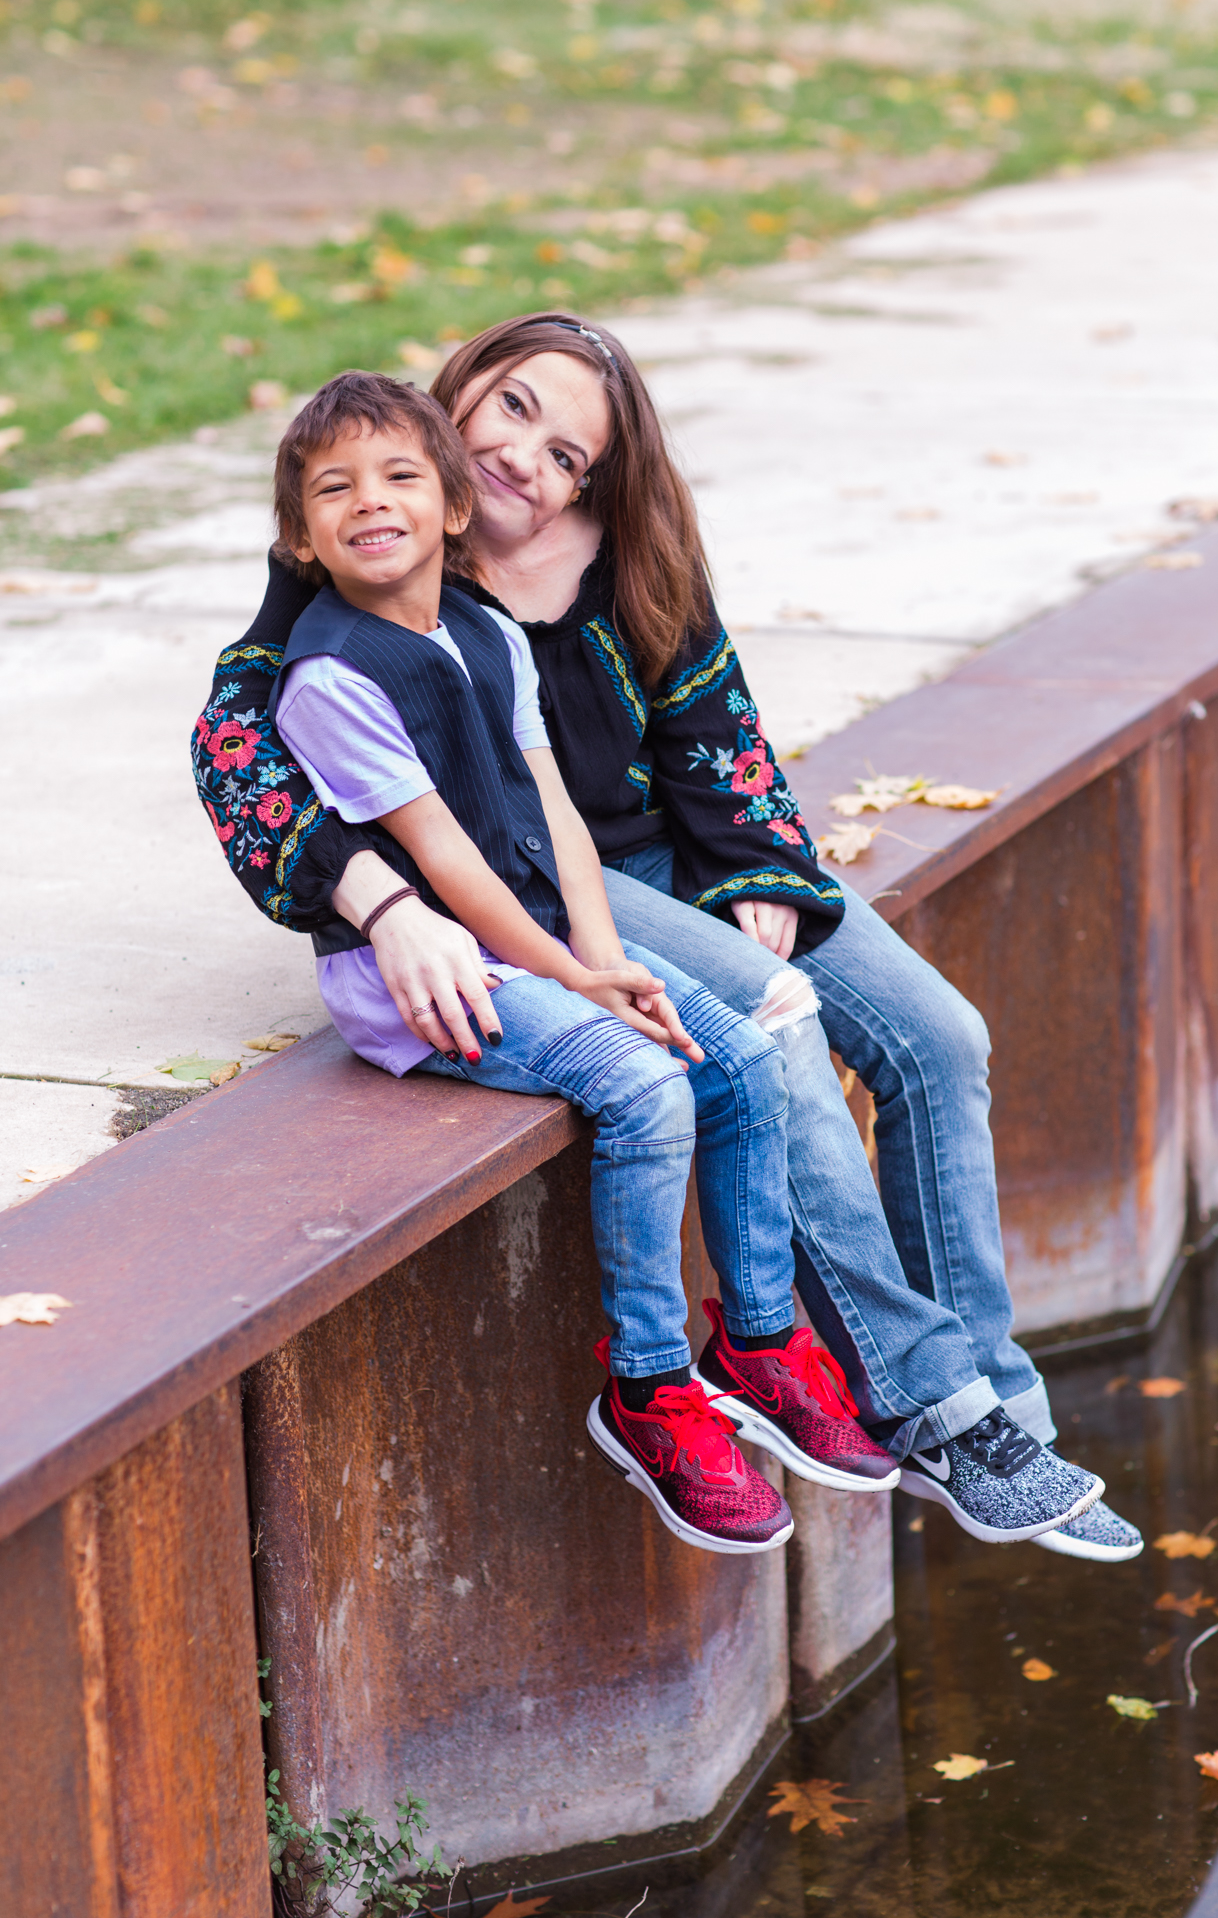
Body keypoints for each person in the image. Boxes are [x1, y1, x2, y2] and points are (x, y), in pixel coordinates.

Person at [193, 325, 1138, 1561]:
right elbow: (238, 748)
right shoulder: (380, 531)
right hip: (536, 884)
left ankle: (1005, 1410)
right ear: (457, 393)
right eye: (511, 405)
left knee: (940, 1037)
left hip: (666, 865)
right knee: (772, 1032)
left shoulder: (631, 554)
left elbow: (721, 731)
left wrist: (758, 866)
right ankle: (932, 1408)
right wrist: (380, 901)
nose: (524, 455)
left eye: (566, 451)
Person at [260, 366, 921, 1561]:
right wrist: (573, 979)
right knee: (648, 1084)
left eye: (401, 476)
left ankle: (759, 1343)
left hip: (540, 939)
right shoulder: (331, 678)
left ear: (453, 508)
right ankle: (650, 1387)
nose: (372, 502)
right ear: (300, 536)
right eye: (335, 489)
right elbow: (448, 860)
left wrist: (607, 953)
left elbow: (553, 807)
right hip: (435, 975)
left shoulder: (486, 631)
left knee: (739, 1057)